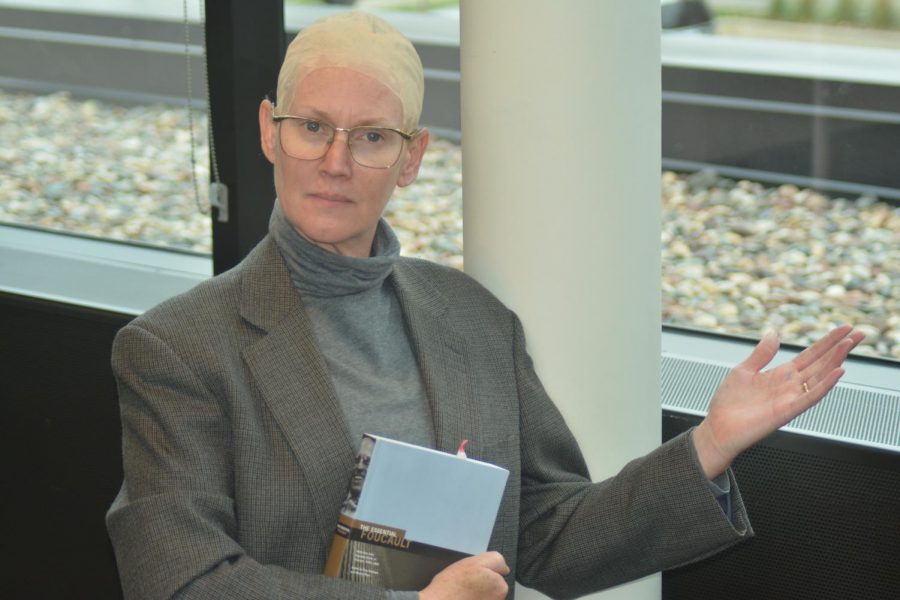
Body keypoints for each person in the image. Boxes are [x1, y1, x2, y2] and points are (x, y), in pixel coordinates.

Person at [106, 10, 864, 600]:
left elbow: (546, 534)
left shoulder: (472, 318)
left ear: (412, 159)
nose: (336, 162)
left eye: (371, 137)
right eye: (312, 128)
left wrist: (708, 446)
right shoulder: (178, 350)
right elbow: (183, 582)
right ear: (271, 132)